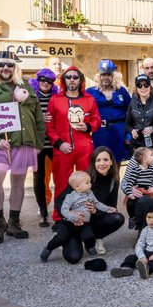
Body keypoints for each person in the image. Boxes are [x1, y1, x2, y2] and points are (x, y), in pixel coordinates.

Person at [0, 52, 45, 245]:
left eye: (10, 65)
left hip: (24, 142)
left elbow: (38, 117)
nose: (5, 68)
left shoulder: (27, 87)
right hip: (0, 143)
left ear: (15, 67)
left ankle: (14, 221)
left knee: (18, 182)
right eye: (1, 65)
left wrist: (38, 143)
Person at [49, 146, 126, 260]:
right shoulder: (83, 178)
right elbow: (59, 202)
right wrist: (72, 215)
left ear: (111, 162)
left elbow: (111, 208)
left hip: (93, 222)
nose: (102, 163)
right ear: (93, 162)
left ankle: (95, 238)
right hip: (73, 222)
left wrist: (95, 210)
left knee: (118, 218)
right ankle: (67, 237)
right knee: (73, 257)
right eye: (98, 160)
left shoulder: (112, 181)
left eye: (106, 160)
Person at [46, 66, 102, 220]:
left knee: (85, 182)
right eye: (68, 77)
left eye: (75, 77)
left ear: (80, 80)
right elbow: (49, 125)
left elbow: (97, 120)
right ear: (64, 80)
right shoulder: (55, 100)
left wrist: (88, 126)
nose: (72, 80)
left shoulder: (89, 99)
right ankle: (59, 216)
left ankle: (85, 214)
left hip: (84, 148)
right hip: (63, 149)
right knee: (62, 183)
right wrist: (58, 143)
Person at [40, 170, 119, 262]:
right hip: (68, 223)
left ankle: (89, 247)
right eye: (87, 183)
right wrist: (73, 217)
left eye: (89, 182)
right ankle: (48, 248)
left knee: (89, 236)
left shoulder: (90, 193)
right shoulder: (70, 197)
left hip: (84, 223)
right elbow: (63, 210)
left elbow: (97, 204)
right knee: (61, 238)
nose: (90, 184)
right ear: (77, 187)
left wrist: (108, 209)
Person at [111, 207, 153, 279]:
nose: (152, 220)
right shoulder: (145, 230)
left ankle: (147, 269)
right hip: (147, 252)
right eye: (149, 217)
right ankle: (126, 268)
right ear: (145, 218)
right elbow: (139, 245)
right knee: (131, 257)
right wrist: (142, 256)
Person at [87, 60, 131, 162]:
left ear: (113, 76)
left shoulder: (122, 91)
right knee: (99, 160)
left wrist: (128, 133)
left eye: (109, 74)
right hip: (100, 131)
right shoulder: (90, 92)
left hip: (119, 131)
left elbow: (131, 112)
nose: (106, 77)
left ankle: (115, 179)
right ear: (99, 76)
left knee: (117, 161)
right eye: (103, 74)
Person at [30, 68, 58, 226]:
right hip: (38, 144)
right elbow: (24, 116)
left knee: (60, 177)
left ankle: (60, 209)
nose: (45, 83)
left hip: (54, 143)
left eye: (49, 81)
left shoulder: (57, 97)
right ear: (37, 80)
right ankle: (43, 212)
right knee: (39, 179)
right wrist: (40, 117)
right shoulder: (31, 96)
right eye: (42, 79)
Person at [125, 74, 153, 151]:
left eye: (146, 85)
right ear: (136, 88)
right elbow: (127, 125)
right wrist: (132, 131)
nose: (143, 88)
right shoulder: (132, 103)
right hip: (137, 145)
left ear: (150, 87)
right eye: (139, 85)